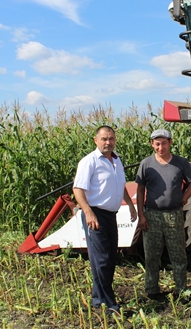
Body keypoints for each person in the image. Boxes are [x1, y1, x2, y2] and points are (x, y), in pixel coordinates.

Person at [73, 125, 137, 314]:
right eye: (104, 139)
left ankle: (97, 299)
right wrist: (88, 213)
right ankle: (110, 305)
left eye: (111, 139)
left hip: (111, 215)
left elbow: (121, 185)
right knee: (102, 260)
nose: (108, 142)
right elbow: (78, 190)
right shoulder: (89, 162)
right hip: (96, 215)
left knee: (109, 258)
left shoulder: (116, 161)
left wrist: (130, 205)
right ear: (96, 140)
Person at [135, 129, 191, 300]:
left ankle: (180, 290)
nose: (161, 147)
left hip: (174, 214)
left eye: (164, 143)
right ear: (152, 144)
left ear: (170, 143)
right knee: (152, 255)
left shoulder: (180, 163)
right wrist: (141, 214)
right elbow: (140, 189)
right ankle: (152, 289)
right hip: (152, 215)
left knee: (178, 253)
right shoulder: (146, 164)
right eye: (157, 143)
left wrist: (184, 198)